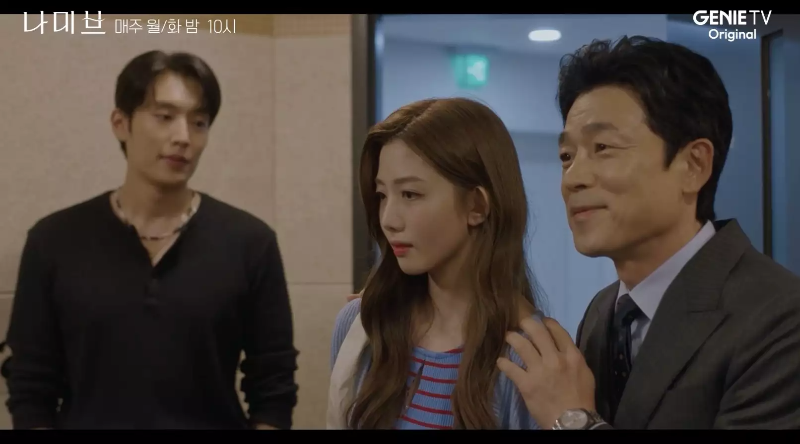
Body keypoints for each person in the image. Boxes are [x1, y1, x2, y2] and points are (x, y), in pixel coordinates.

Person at [495, 36, 800, 430]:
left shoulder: (779, 318)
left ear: (693, 165)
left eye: (603, 147)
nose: (572, 179)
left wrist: (571, 420)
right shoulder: (603, 311)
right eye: (566, 157)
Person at [4, 50, 298, 429]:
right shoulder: (53, 241)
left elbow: (273, 387)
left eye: (199, 122)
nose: (183, 137)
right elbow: (30, 387)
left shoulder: (250, 242)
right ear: (120, 123)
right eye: (164, 117)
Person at [328, 97, 546, 430]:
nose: (388, 220)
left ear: (477, 205)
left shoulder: (526, 357)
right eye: (382, 195)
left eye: (410, 195)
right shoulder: (362, 328)